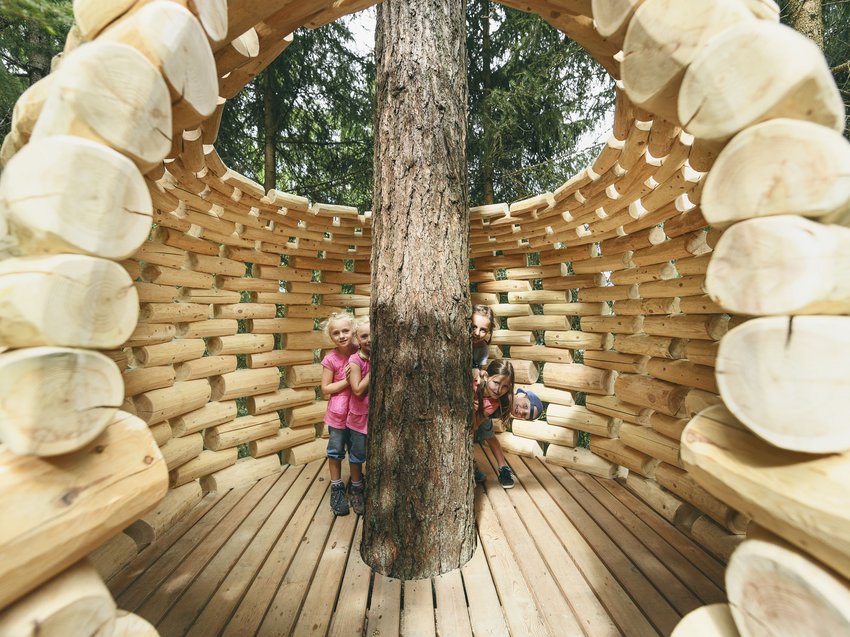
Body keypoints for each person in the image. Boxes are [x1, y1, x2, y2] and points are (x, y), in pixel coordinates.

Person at [320, 312, 359, 516]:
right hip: (337, 415)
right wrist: (346, 381)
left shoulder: (360, 352)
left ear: (353, 331)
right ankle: (336, 488)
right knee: (335, 451)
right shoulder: (331, 359)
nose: (342, 336)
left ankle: (357, 486)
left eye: (345, 331)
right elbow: (325, 388)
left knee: (356, 451)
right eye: (336, 333)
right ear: (331, 336)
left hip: (358, 414)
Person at [475, 386, 545, 489]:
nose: (520, 411)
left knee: (490, 437)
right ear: (521, 395)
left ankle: (503, 468)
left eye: (524, 415)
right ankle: (471, 467)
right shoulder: (504, 390)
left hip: (484, 414)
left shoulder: (506, 408)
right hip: (477, 406)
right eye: (525, 405)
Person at [472, 359, 515, 487]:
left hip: (479, 418)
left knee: (489, 435)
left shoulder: (494, 402)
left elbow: (473, 426)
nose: (499, 390)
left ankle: (503, 467)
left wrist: (473, 411)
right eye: (496, 383)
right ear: (486, 376)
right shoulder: (474, 381)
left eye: (505, 386)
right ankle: (472, 467)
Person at [345, 316, 371, 516]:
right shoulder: (356, 361)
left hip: (374, 416)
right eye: (364, 336)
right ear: (357, 339)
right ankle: (356, 487)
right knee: (357, 454)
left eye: (372, 334)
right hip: (359, 418)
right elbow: (357, 389)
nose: (369, 339)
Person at [471, 304, 496, 382]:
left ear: (489, 331)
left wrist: (478, 371)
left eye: (483, 330)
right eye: (473, 327)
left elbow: (477, 368)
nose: (477, 333)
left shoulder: (483, 349)